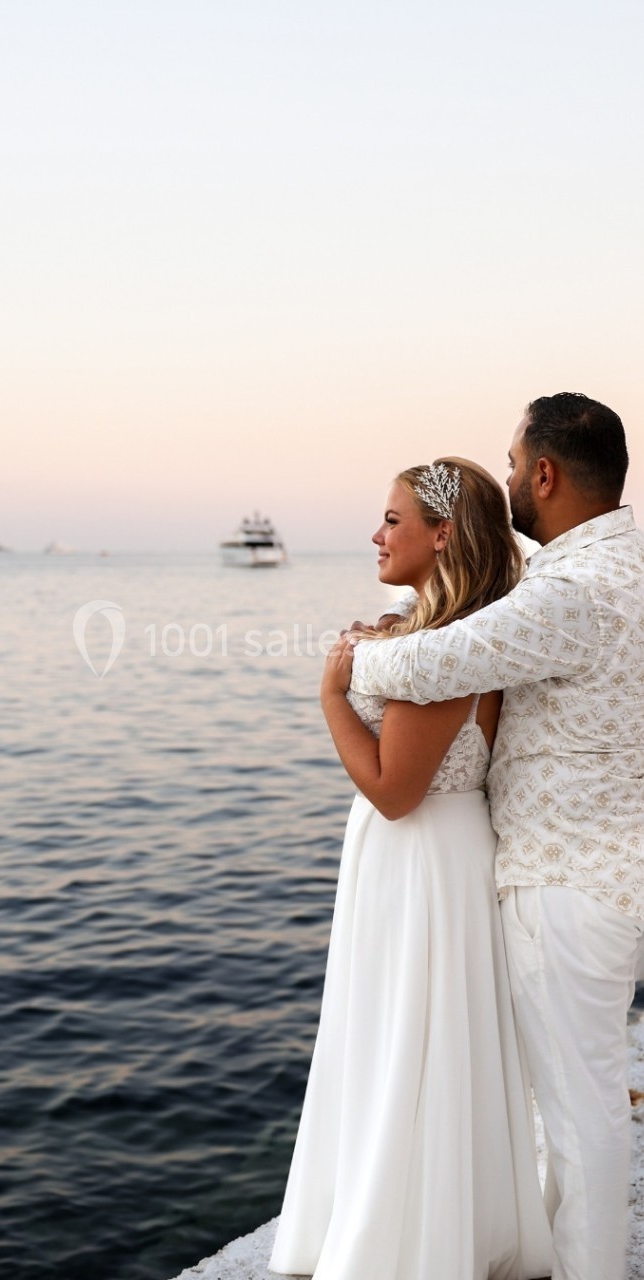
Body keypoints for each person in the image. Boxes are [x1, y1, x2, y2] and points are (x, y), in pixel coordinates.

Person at [344, 394, 644, 1280]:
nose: (508, 478)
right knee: (582, 1089)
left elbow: (432, 662)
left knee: (580, 1103)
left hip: (565, 877)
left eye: (514, 465)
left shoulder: (574, 589)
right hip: (610, 868)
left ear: (545, 475)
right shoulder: (630, 568)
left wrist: (348, 661)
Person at [269, 459, 553, 1280]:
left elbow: (395, 791)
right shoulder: (438, 632)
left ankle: (407, 1241)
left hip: (420, 855)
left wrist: (332, 696)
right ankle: (420, 1216)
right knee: (403, 1037)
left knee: (411, 1042)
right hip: (427, 855)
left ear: (442, 535)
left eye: (393, 520)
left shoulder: (443, 655)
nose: (375, 534)